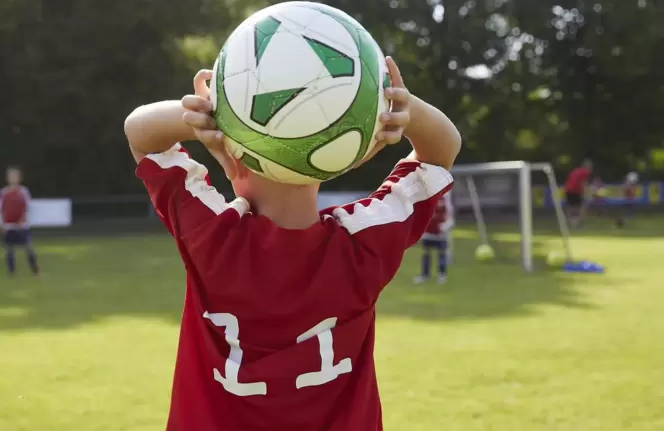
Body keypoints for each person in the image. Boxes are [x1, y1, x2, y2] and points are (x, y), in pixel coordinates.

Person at [124, 57, 461, 431]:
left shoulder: (212, 238)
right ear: (339, 162)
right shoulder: (365, 243)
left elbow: (139, 132)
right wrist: (402, 108)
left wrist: (216, 112)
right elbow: (441, 155)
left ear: (230, 163)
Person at [0, 167, 40, 276]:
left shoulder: (23, 191)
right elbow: (2, 209)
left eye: (15, 176)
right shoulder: (4, 192)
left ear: (19, 178)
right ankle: (11, 272)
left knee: (29, 247)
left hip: (21, 226)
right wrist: (2, 224)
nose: (13, 178)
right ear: (8, 179)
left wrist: (22, 219)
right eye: (11, 176)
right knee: (9, 249)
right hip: (9, 226)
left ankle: (35, 270)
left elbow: (26, 206)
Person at [414, 191, 454, 285]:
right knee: (426, 253)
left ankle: (442, 274)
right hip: (428, 231)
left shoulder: (445, 198)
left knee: (441, 253)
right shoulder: (427, 197)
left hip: (440, 233)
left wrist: (446, 225)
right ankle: (425, 275)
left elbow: (449, 213)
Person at [564, 159, 593, 228]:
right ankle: (579, 223)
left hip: (568, 190)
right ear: (588, 166)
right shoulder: (585, 172)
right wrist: (587, 195)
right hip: (575, 191)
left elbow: (570, 180)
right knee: (582, 207)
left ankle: (568, 224)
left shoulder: (575, 170)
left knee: (571, 208)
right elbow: (584, 183)